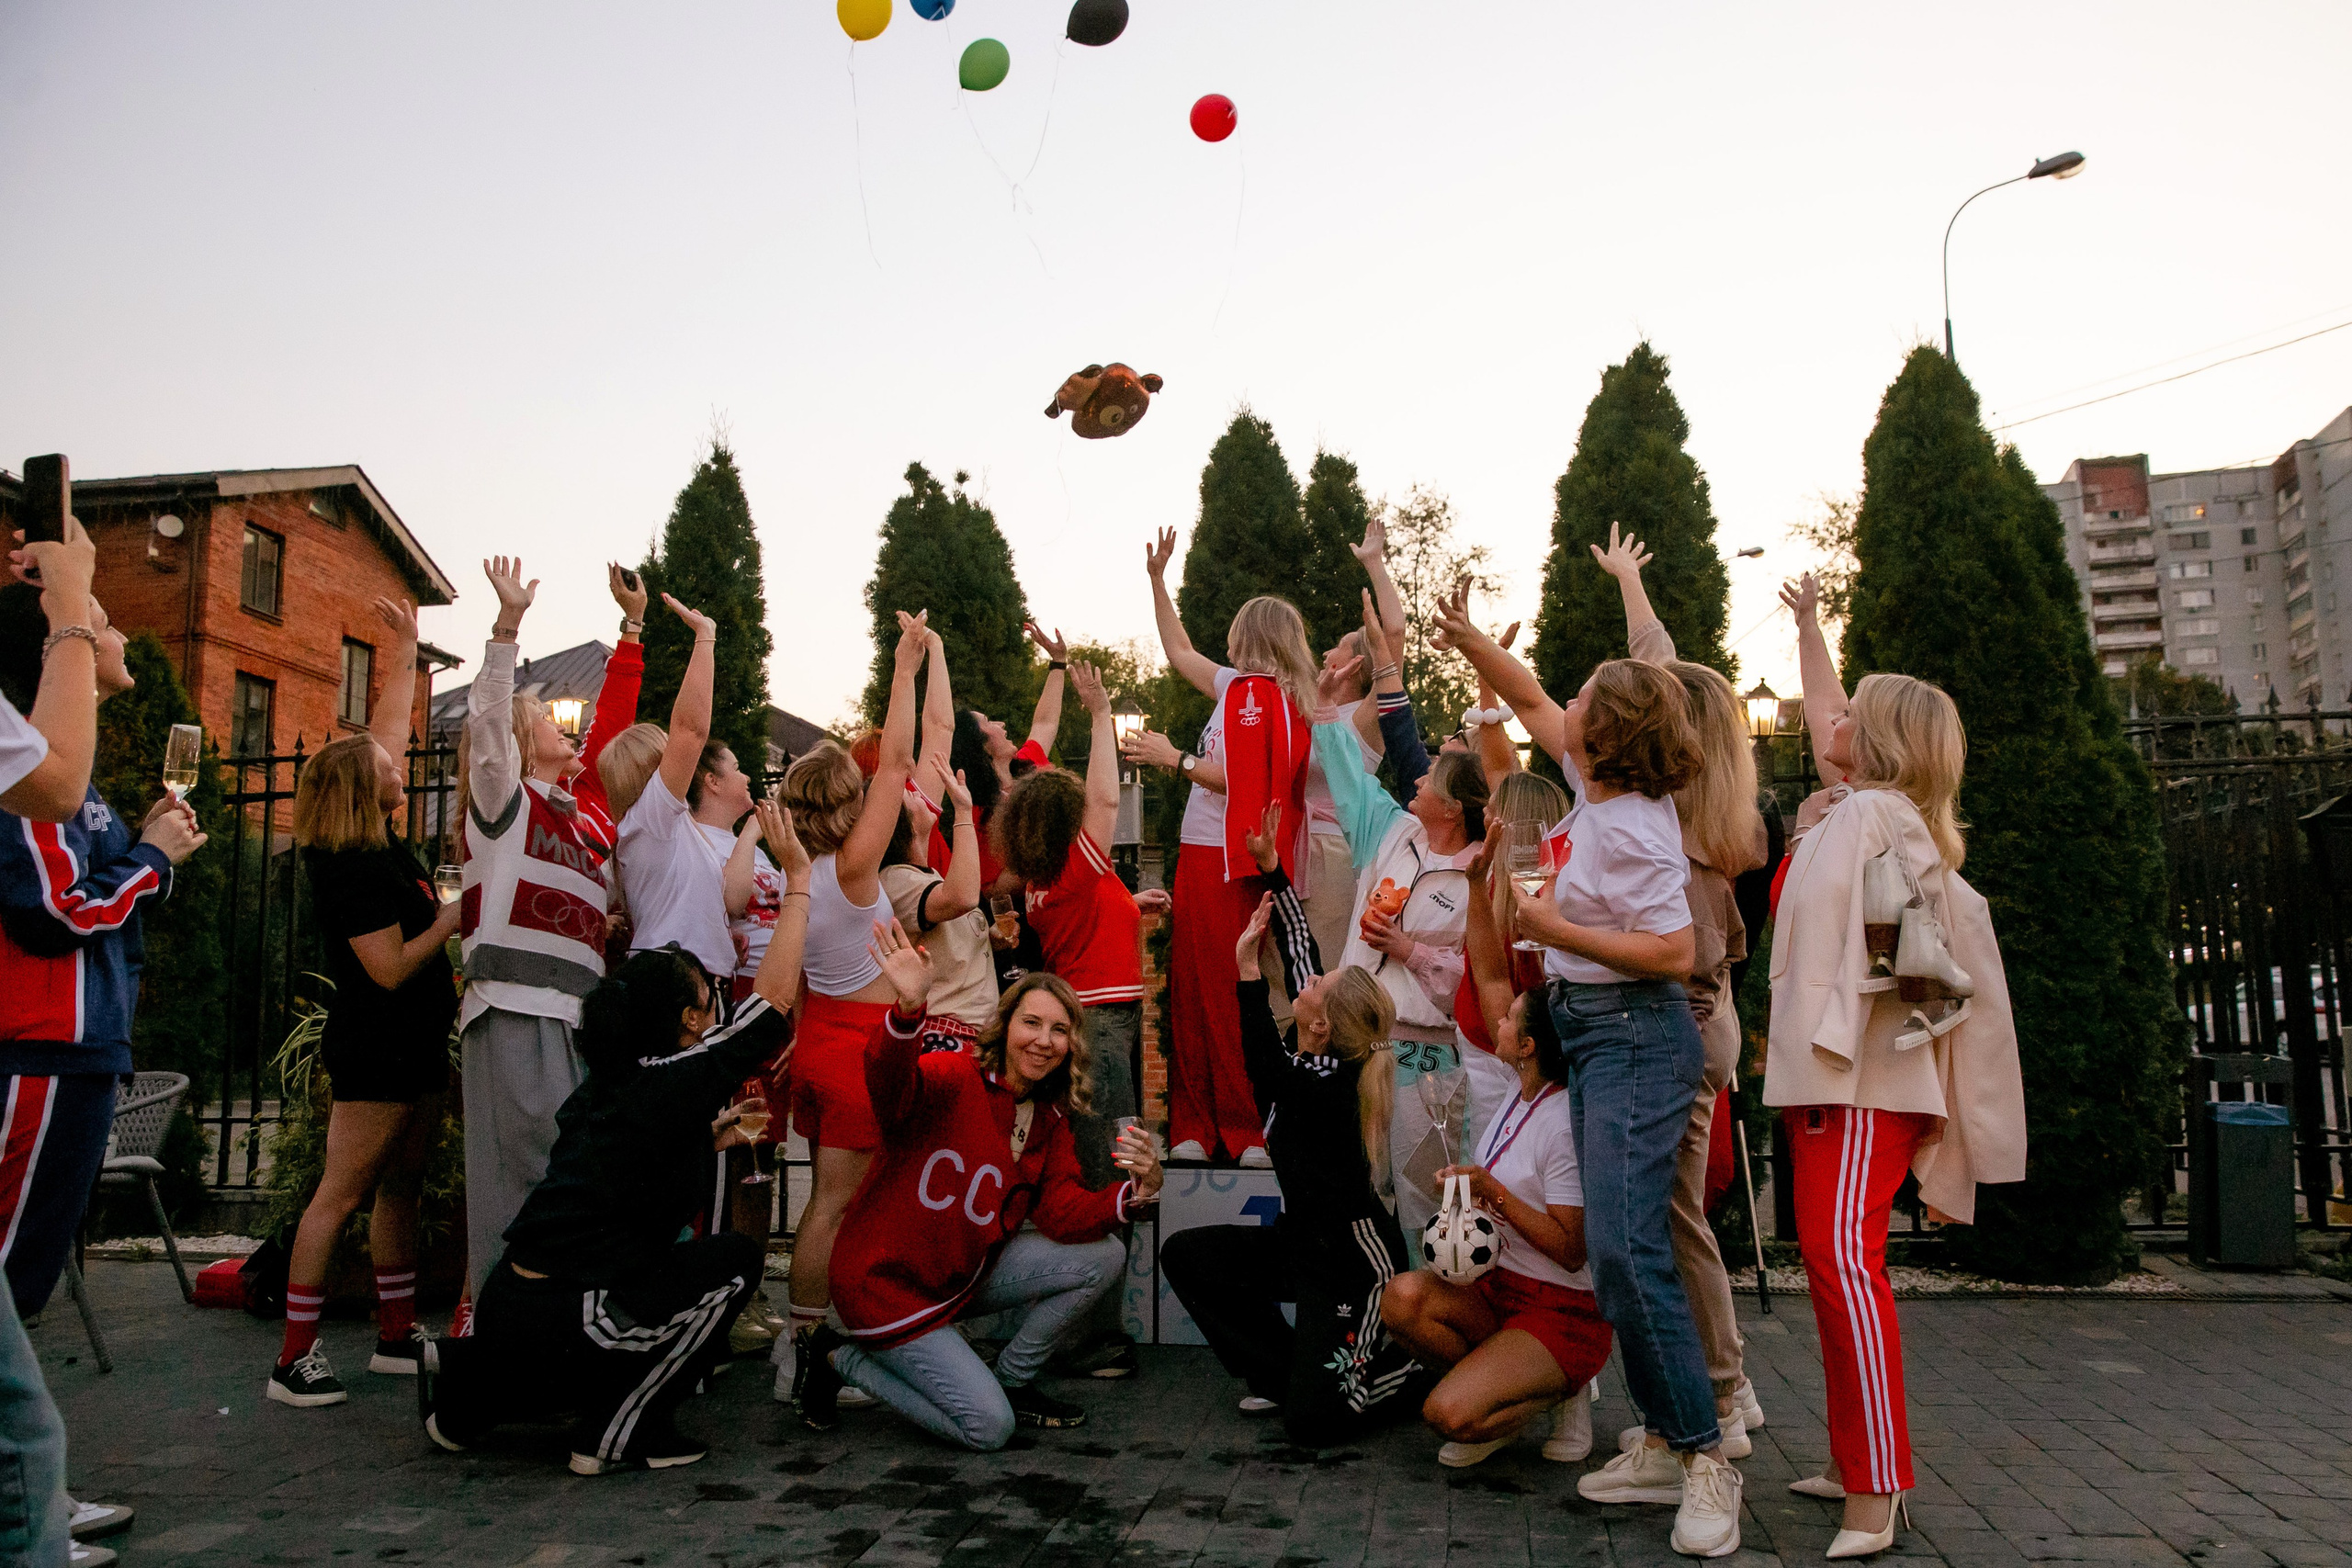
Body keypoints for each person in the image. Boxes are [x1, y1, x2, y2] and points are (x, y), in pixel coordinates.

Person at [1433, 581, 1742, 1560]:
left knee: (1624, 1251)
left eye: (1581, 704)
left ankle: (1704, 1460)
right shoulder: (1589, 781)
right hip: (1593, 1026)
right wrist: (1469, 637)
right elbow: (1525, 699)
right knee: (1619, 1253)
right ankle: (1659, 1441)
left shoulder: (1641, 824)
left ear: (1609, 733)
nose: (1558, 709)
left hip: (1638, 1037)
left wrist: (1551, 925)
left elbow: (1675, 951)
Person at [417, 802, 812, 1474]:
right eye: (707, 997)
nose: (716, 1004)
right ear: (688, 1019)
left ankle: (472, 1394)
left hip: (510, 1302)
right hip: (570, 1312)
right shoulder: (676, 1078)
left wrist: (708, 1137)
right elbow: (771, 1005)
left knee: (612, 1300)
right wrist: (799, 878)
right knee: (734, 1263)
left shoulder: (611, 1081)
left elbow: (621, 1167)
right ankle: (616, 1432)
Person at [1767, 576, 2024, 1559]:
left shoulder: (1877, 818)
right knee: (1836, 1272)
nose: (1826, 718)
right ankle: (1852, 1460)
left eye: (1850, 716)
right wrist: (1805, 627)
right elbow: (1832, 711)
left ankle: (1876, 1487)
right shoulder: (1856, 810)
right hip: (1833, 1081)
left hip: (1857, 1082)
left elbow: (1910, 956)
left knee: (1844, 1271)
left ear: (1878, 744)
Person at [805, 936, 1163, 1447]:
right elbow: (891, 1088)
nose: (1044, 1040)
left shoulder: (1048, 1116)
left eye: (1060, 1030)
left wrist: (1133, 1195)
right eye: (1032, 1023)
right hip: (884, 1286)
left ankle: (1012, 1380)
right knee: (988, 1428)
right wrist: (908, 1012)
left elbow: (1063, 1215)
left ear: (1071, 1046)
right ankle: (839, 1359)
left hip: (955, 1278)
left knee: (1102, 1256)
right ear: (1005, 1026)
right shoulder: (957, 1075)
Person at [1158, 825, 1428, 1447]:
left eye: (1314, 989)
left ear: (1324, 1022)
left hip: (1355, 1261)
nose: (1306, 983)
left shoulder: (1334, 1076)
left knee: (1317, 1424)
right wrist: (1274, 870)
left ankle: (1408, 1372)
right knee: (1188, 1254)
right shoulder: (1313, 1048)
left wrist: (1247, 970)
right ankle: (1284, 1373)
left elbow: (1264, 1066)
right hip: (1303, 1243)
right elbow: (1303, 947)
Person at [1593, 524, 1772, 1454]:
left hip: (1688, 1016)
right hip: (1716, 1017)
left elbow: (1653, 676)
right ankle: (1725, 1386)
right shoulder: (1722, 803)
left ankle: (1726, 1393)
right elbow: (1658, 660)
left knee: (1672, 1219)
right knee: (1674, 1215)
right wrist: (1631, 584)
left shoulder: (1676, 818)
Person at [269, 599, 463, 1406]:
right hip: (377, 1044)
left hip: (415, 1043)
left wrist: (407, 646)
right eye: (386, 766)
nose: (399, 763)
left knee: (400, 1188)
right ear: (362, 788)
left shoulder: (379, 840)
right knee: (340, 1193)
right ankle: (293, 1358)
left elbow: (385, 728)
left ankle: (392, 1336)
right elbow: (387, 969)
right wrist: (453, 917)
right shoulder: (348, 865)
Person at [0, 514, 137, 1568]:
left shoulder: (73, 777)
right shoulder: (45, 784)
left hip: (74, 1050)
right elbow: (53, 912)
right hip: (38, 1049)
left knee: (23, 1298)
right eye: (99, 621)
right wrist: (155, 862)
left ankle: (32, 1488)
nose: (107, 630)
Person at [1122, 528, 1317, 1165]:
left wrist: (1172, 758)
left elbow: (1250, 783)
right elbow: (1179, 650)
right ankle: (1193, 1123)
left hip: (1231, 859)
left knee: (1233, 987)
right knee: (1193, 987)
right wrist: (1157, 579)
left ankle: (1241, 1126)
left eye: (1237, 633)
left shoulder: (1270, 700)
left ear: (1253, 637)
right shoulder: (1239, 688)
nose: (1226, 643)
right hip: (1202, 853)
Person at [774, 610, 924, 1411]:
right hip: (863, 1045)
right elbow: (897, 759)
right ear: (846, 800)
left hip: (819, 1034)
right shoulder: (856, 865)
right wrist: (905, 666)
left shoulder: (797, 871)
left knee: (822, 1200)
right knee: (841, 1206)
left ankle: (803, 1341)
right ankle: (808, 1354)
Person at [456, 557, 613, 1300]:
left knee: (567, 1179)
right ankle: (490, 1332)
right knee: (520, 1183)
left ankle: (550, 1331)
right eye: (551, 719)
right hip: (515, 1006)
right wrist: (507, 628)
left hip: (576, 1018)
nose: (565, 726)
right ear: (525, 736)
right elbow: (484, 722)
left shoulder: (581, 824)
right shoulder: (504, 802)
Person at [1383, 975, 1612, 1470]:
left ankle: (1558, 1391)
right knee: (1400, 1301)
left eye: (1508, 1020)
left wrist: (1493, 1193)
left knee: (1446, 1415)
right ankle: (1501, 1384)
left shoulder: (1563, 1123)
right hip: (1498, 1288)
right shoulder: (1519, 1085)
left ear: (1527, 1046)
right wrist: (1476, 894)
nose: (1497, 1023)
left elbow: (1573, 1250)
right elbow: (1487, 977)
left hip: (1560, 1308)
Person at [1308, 620, 1489, 1241]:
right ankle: (1378, 1328)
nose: (1419, 773)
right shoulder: (1389, 830)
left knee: (1429, 1208)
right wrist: (1326, 707)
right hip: (1357, 1047)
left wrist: (1409, 950)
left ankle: (1437, 1329)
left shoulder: (1481, 875)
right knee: (1359, 1195)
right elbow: (1348, 778)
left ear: (1457, 805)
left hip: (1428, 1060)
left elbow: (1480, 978)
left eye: (1434, 771)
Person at [992, 660, 1148, 1377]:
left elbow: (1093, 918)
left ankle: (1080, 1323)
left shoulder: (1050, 883)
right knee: (1110, 1166)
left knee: (1095, 1162)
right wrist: (1100, 711)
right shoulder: (1079, 865)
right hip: (1103, 1027)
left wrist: (1131, 907)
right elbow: (1109, 797)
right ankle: (1090, 1336)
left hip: (1089, 1016)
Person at [594, 591, 737, 978]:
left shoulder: (649, 828)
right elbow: (690, 731)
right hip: (675, 979)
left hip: (680, 975)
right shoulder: (651, 817)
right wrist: (704, 637)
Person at [926, 619, 1070, 896]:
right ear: (979, 745)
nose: (1002, 725)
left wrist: (1058, 663)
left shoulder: (1028, 766)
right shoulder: (978, 814)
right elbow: (991, 888)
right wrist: (1048, 852)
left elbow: (1045, 723)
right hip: (1032, 921)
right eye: (989, 722)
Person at [884, 755, 995, 1054]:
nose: (918, 793)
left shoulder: (924, 876)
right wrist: (962, 812)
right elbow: (962, 897)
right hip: (948, 1041)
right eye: (910, 794)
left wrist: (990, 938)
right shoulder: (894, 881)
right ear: (899, 824)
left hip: (974, 1038)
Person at [566, 563, 651, 863]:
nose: (563, 734)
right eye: (542, 721)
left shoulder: (591, 786)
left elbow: (616, 710)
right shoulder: (523, 806)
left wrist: (634, 619)